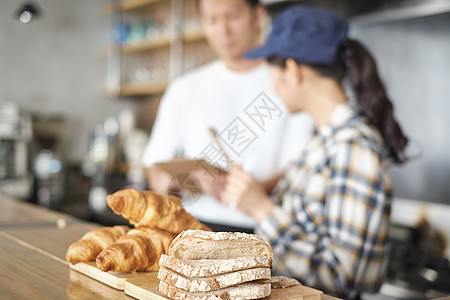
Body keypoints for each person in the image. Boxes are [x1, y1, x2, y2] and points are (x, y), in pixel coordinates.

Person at [220, 5, 409, 299]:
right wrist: (257, 196)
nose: (272, 85)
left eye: (270, 69)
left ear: (293, 70)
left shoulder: (353, 146)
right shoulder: (323, 138)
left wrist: (261, 209)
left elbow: (346, 276)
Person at [141, 0, 313, 231]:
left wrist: (246, 190)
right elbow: (155, 171)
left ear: (258, 16)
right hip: (191, 228)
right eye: (212, 20)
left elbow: (303, 169)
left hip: (265, 229)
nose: (223, 30)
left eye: (232, 17)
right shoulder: (184, 88)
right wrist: (194, 180)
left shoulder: (290, 80)